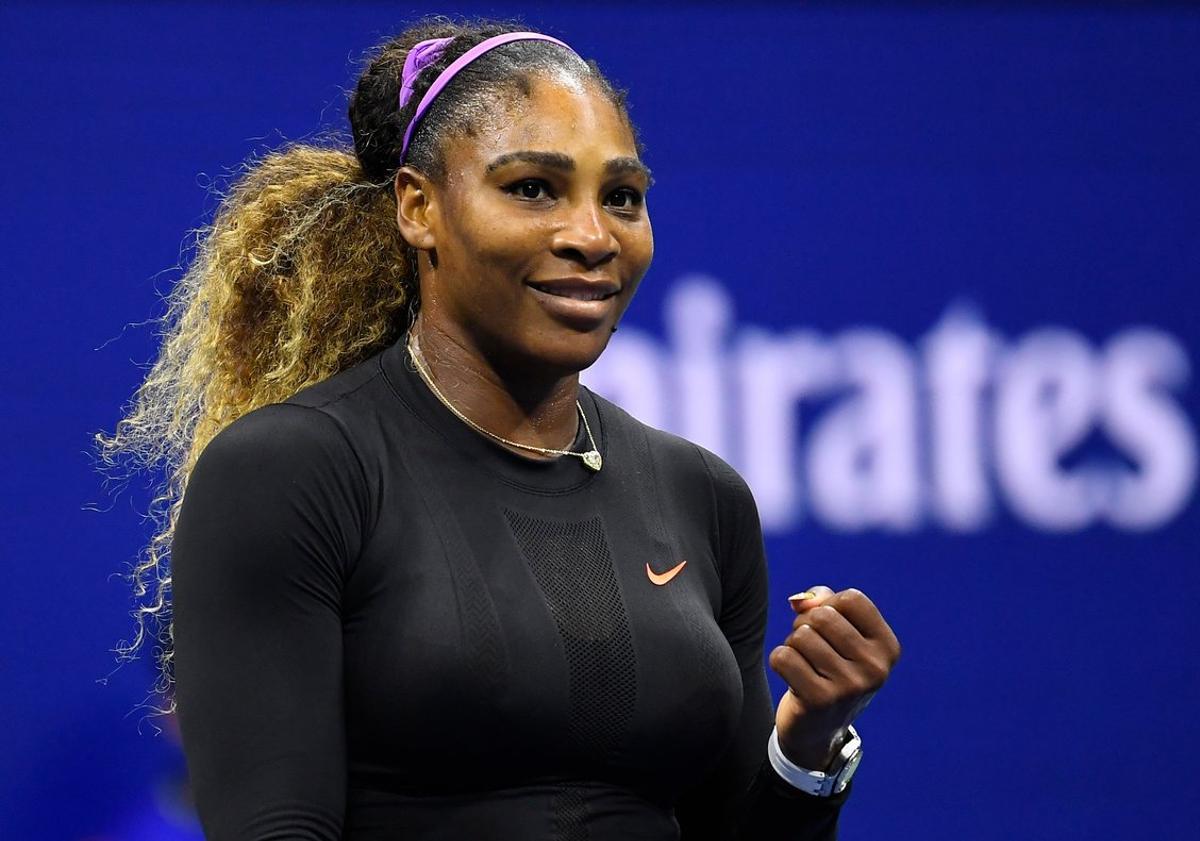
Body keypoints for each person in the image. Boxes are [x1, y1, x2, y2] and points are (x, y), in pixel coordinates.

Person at [99, 17, 900, 840]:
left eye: (621, 197)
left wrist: (807, 745)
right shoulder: (295, 472)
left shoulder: (703, 497)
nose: (592, 236)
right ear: (419, 207)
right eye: (532, 188)